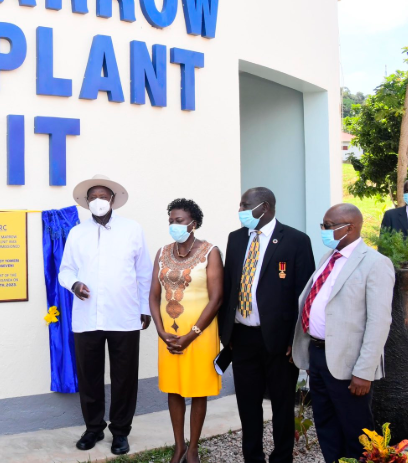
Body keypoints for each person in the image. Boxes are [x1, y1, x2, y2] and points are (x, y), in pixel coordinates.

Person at [218, 187, 315, 463]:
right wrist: (227, 333)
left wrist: (296, 339)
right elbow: (229, 285)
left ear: (265, 207)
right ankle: (253, 457)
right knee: (247, 403)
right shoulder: (236, 238)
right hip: (242, 338)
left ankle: (282, 457)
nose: (240, 210)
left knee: (282, 404)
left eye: (244, 205)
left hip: (279, 340)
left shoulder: (296, 240)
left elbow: (304, 294)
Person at [292, 203, 395, 463]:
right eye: (323, 224)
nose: (323, 230)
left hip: (350, 366)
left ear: (349, 228)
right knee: (327, 428)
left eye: (328, 226)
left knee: (357, 434)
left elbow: (379, 322)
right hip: (318, 355)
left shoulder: (375, 263)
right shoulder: (329, 257)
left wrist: (364, 371)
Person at [58, 174, 153, 456]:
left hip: (124, 316)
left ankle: (121, 431)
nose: (98, 200)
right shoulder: (77, 233)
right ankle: (94, 428)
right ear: (86, 202)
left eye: (103, 196)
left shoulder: (132, 229)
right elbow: (65, 270)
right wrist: (74, 284)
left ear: (112, 199)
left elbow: (144, 272)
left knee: (125, 377)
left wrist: (145, 308)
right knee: (89, 376)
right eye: (93, 197)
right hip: (87, 317)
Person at [149, 199, 223, 463]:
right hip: (169, 335)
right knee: (174, 388)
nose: (174, 225)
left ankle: (193, 449)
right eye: (171, 220)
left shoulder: (210, 251)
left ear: (193, 223)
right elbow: (153, 295)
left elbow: (216, 298)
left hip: (200, 334)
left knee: (198, 390)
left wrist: (191, 335)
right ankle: (179, 446)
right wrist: (160, 331)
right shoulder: (162, 252)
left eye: (179, 220)